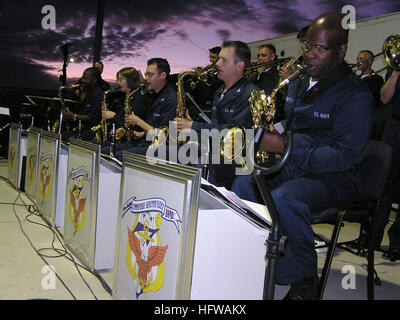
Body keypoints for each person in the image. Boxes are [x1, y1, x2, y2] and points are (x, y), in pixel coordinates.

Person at [231, 13, 374, 300]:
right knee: (244, 185)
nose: (309, 55)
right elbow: (295, 125)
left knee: (286, 198)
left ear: (341, 51)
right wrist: (272, 129)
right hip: (296, 164)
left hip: (337, 175)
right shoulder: (298, 81)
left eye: (319, 49)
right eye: (307, 45)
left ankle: (304, 276)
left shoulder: (355, 96)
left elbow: (345, 156)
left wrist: (284, 147)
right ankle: (258, 257)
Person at [176, 40, 258, 188]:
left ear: (239, 66)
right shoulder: (220, 91)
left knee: (194, 162)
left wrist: (193, 126)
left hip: (236, 159)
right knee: (177, 154)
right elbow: (216, 126)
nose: (217, 64)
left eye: (223, 60)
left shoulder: (250, 94)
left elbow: (231, 135)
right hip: (216, 150)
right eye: (218, 59)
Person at [116, 58, 177, 160]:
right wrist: (141, 134)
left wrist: (138, 122)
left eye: (150, 75)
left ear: (162, 75)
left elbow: (163, 136)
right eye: (146, 75)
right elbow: (155, 126)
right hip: (146, 142)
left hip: (159, 150)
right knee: (106, 150)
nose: (146, 79)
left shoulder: (171, 99)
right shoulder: (154, 95)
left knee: (118, 155)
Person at [100, 67, 149, 153]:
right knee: (96, 146)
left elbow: (132, 125)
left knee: (102, 151)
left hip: (133, 142)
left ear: (130, 81)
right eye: (117, 80)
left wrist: (114, 116)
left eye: (121, 80)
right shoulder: (126, 97)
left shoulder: (138, 98)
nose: (117, 83)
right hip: (123, 139)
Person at [62, 67, 103, 142]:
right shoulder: (86, 92)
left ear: (94, 80)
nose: (83, 80)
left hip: (91, 131)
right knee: (62, 136)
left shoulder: (97, 93)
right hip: (81, 128)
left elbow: (93, 118)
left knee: (67, 139)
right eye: (83, 78)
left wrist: (73, 116)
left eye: (86, 78)